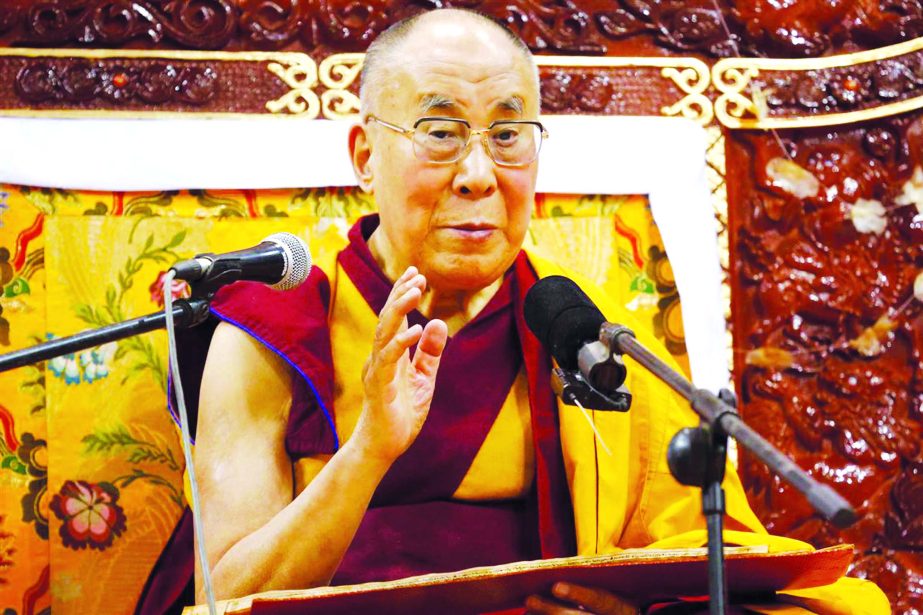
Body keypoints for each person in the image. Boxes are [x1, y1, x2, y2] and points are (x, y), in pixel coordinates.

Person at [136, 8, 887, 615]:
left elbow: (692, 552)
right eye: (439, 133)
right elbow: (226, 596)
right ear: (364, 154)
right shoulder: (275, 325)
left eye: (506, 135)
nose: (476, 174)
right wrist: (368, 449)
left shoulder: (578, 325)